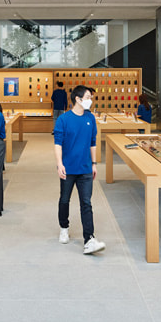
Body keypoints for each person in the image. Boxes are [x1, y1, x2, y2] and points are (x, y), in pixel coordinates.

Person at [54, 85, 105, 254]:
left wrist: (94, 163)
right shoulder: (63, 119)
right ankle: (64, 227)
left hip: (85, 169)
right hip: (68, 169)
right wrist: (60, 164)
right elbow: (58, 144)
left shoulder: (90, 118)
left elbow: (93, 142)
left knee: (86, 203)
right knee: (64, 200)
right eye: (88, 97)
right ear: (78, 99)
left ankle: (89, 239)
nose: (90, 100)